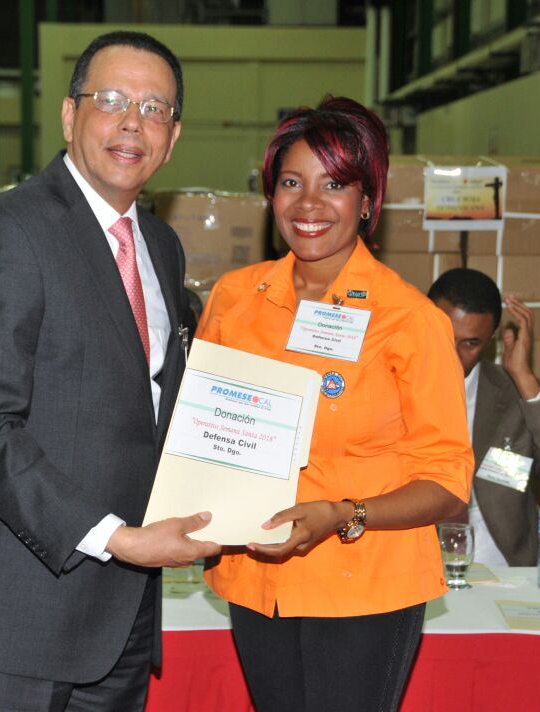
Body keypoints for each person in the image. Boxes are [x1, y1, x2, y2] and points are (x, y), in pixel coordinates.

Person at [0, 31, 220, 712]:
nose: (132, 122)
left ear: (173, 137)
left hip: (120, 620)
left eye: (154, 108)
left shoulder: (159, 245)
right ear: (71, 116)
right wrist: (115, 537)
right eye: (111, 100)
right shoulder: (8, 231)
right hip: (11, 616)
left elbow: (146, 409)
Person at [196, 97, 474, 712]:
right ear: (270, 195)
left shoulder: (410, 321)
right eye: (291, 182)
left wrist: (344, 514)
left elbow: (449, 482)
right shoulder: (235, 299)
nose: (309, 204)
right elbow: (206, 432)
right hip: (256, 580)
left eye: (335, 185)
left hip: (363, 587)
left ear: (368, 200)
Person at [427, 268, 540, 567]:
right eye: (443, 336)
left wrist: (524, 379)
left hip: (501, 577)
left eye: (470, 343)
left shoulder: (515, 399)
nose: (452, 355)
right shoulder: (387, 387)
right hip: (409, 576)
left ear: (491, 340)